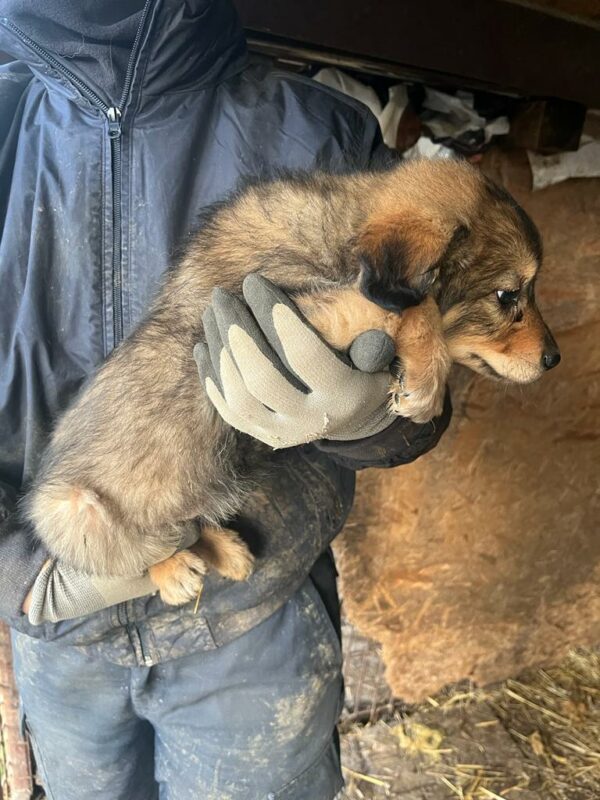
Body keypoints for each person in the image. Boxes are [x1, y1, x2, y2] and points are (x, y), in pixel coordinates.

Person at [0, 1, 451, 798]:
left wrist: (376, 415)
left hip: (253, 615)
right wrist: (17, 575)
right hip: (59, 626)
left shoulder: (321, 135)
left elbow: (422, 352)